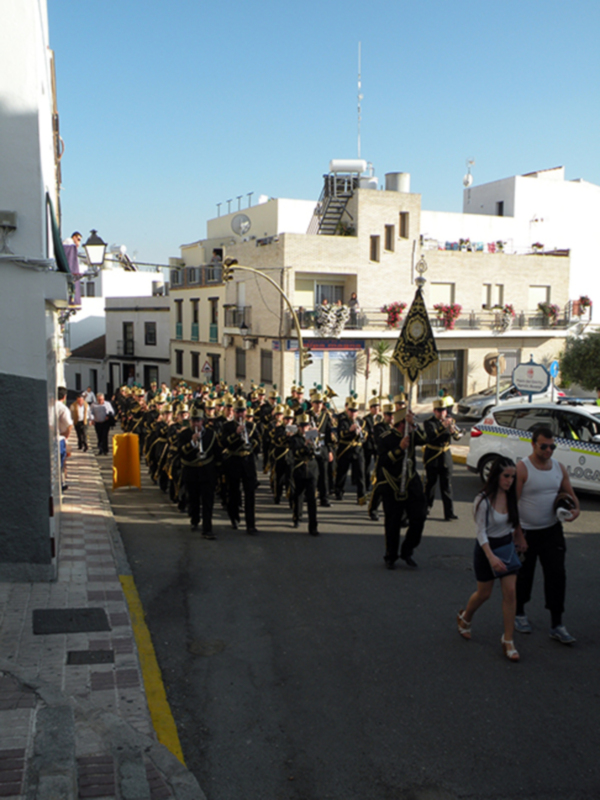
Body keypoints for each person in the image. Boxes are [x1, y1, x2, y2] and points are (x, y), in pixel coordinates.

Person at [514, 426, 580, 644]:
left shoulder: (559, 468)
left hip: (552, 531)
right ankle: (519, 613)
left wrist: (576, 510)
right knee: (524, 575)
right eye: (544, 446)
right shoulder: (523, 468)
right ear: (533, 444)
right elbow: (513, 505)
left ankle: (557, 624)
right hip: (527, 532)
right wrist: (518, 534)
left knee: (557, 575)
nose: (549, 450)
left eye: (552, 446)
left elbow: (570, 493)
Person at [457, 457, 527, 661]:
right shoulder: (483, 499)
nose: (510, 481)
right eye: (506, 476)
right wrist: (491, 557)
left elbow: (514, 521)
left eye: (513, 477)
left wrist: (519, 536)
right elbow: (481, 533)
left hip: (506, 546)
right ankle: (465, 617)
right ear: (496, 476)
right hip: (487, 549)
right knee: (484, 593)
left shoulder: (512, 496)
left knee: (511, 592)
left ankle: (508, 640)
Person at [376, 408, 427, 568]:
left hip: (411, 481)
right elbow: (383, 460)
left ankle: (408, 550)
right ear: (400, 424)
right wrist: (399, 449)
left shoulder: (412, 435)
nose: (410, 426)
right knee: (393, 522)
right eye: (407, 422)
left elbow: (424, 439)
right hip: (393, 483)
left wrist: (414, 425)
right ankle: (391, 556)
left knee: (419, 517)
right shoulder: (386, 438)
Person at [179, 407, 220, 538]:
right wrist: (192, 443)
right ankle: (194, 519)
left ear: (203, 421)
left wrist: (219, 473)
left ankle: (207, 529)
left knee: (208, 501)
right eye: (193, 421)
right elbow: (180, 453)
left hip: (207, 472)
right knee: (193, 499)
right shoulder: (184, 434)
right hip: (191, 471)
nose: (196, 424)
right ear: (190, 421)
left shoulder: (211, 434)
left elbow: (216, 453)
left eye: (198, 421)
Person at [423, 397, 462, 520]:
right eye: (439, 411)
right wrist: (443, 426)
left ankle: (449, 512)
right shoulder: (429, 423)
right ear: (434, 411)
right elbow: (431, 436)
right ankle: (426, 507)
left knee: (447, 486)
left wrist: (453, 431)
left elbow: (457, 437)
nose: (442, 413)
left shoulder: (450, 421)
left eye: (444, 410)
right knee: (431, 485)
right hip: (432, 456)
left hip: (445, 457)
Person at [56, 387, 73, 492]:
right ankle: (61, 484)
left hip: (48, 437)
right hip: (59, 439)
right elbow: (69, 425)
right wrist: (66, 436)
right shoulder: (62, 408)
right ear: (64, 397)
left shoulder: (47, 405)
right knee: (60, 463)